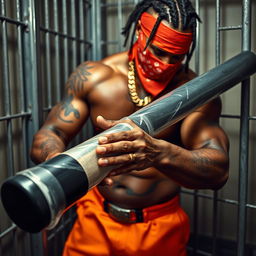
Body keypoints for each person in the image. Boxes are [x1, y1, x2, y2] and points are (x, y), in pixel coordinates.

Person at [30, 0, 229, 255]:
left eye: (176, 57)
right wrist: (56, 164)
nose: (165, 64)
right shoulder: (96, 77)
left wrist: (158, 153)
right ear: (139, 32)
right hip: (96, 220)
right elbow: (52, 133)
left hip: (159, 227)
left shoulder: (195, 94)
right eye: (158, 51)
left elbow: (218, 170)